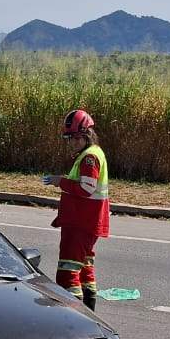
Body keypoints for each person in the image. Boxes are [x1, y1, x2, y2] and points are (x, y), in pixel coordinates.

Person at [42, 109, 109, 312]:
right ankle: (89, 311)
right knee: (85, 269)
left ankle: (74, 316)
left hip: (80, 222)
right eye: (70, 138)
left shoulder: (89, 158)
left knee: (68, 271)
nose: (73, 142)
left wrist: (59, 181)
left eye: (77, 138)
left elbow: (86, 188)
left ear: (87, 134)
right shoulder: (92, 154)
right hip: (87, 222)